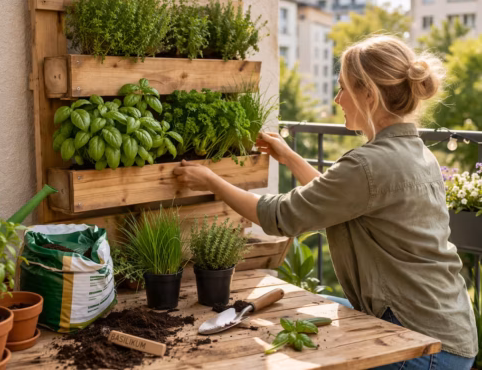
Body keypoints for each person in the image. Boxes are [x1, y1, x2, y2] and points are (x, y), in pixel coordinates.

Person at [173, 35, 477, 369]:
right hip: (447, 326)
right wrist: (290, 158)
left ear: (368, 95)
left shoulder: (369, 164)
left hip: (420, 343)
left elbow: (279, 216)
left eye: (343, 87)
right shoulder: (414, 152)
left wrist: (211, 181)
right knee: (288, 306)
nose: (337, 99)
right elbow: (340, 197)